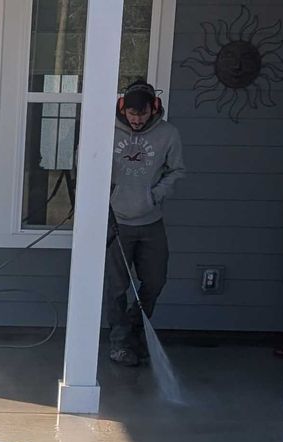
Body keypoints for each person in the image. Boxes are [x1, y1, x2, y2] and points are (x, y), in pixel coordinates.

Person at [108, 81, 186, 366]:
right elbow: (86, 164)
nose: (137, 119)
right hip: (116, 220)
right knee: (115, 286)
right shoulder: (106, 130)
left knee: (155, 280)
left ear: (153, 108)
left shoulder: (168, 134)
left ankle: (134, 332)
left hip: (151, 220)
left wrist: (155, 195)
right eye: (131, 113)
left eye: (141, 114)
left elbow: (177, 171)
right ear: (122, 108)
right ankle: (119, 345)